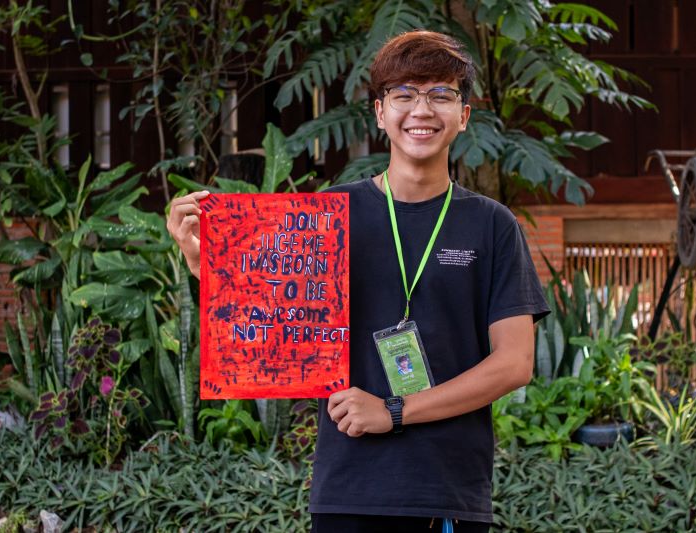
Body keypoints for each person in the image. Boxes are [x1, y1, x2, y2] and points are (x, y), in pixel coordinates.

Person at [167, 30, 549, 533]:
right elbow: (280, 330)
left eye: (441, 94)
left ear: (464, 115)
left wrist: (393, 411)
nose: (422, 110)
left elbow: (514, 364)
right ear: (378, 112)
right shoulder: (329, 213)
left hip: (448, 492)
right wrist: (206, 268)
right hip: (349, 489)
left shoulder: (492, 225)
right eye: (404, 94)